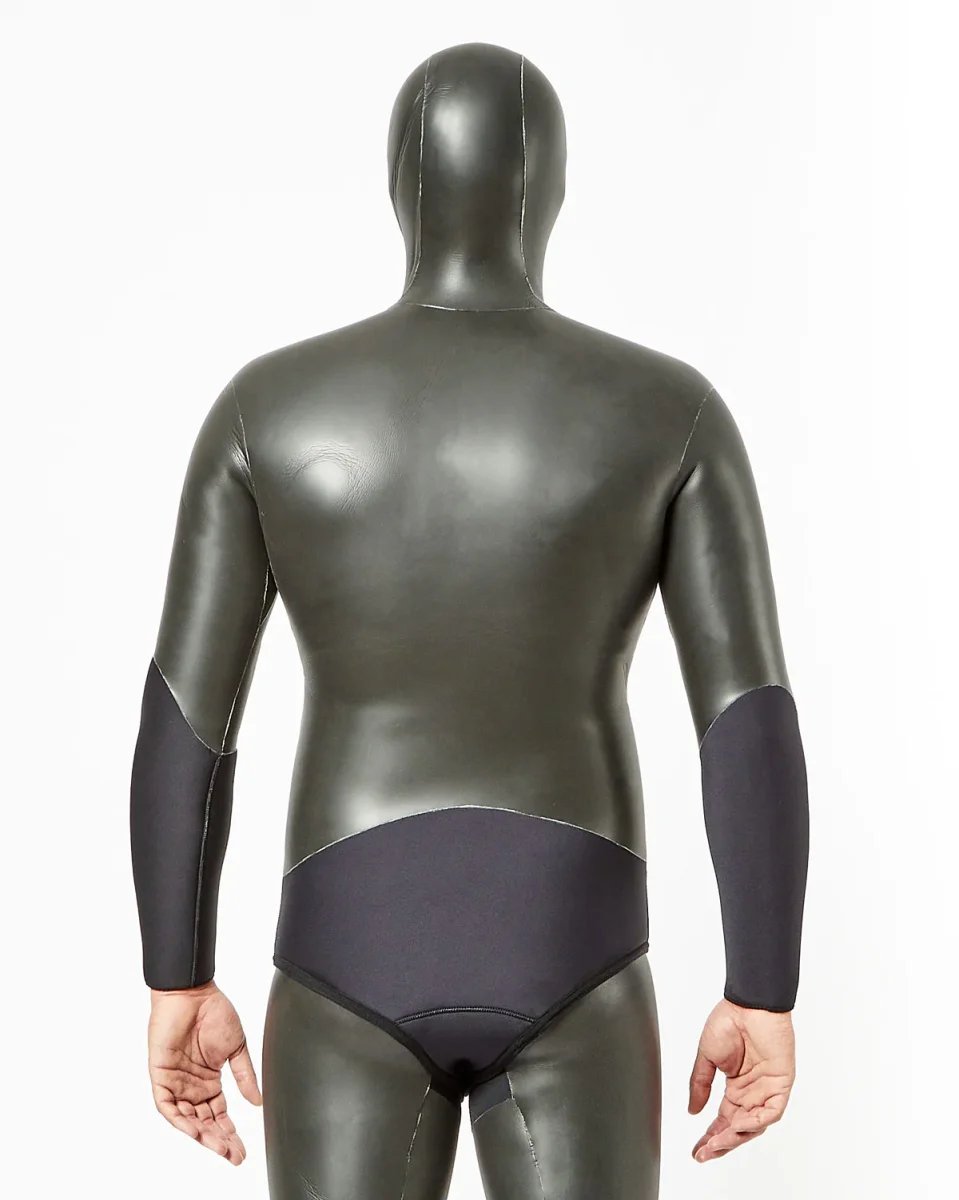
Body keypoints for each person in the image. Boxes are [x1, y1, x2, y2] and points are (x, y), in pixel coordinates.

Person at [131, 41, 809, 1198]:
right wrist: (761, 990)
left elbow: (187, 721)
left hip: (347, 942)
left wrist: (176, 975)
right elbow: (745, 715)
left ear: (400, 186)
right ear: (550, 190)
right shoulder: (668, 413)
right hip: (575, 945)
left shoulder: (267, 411)